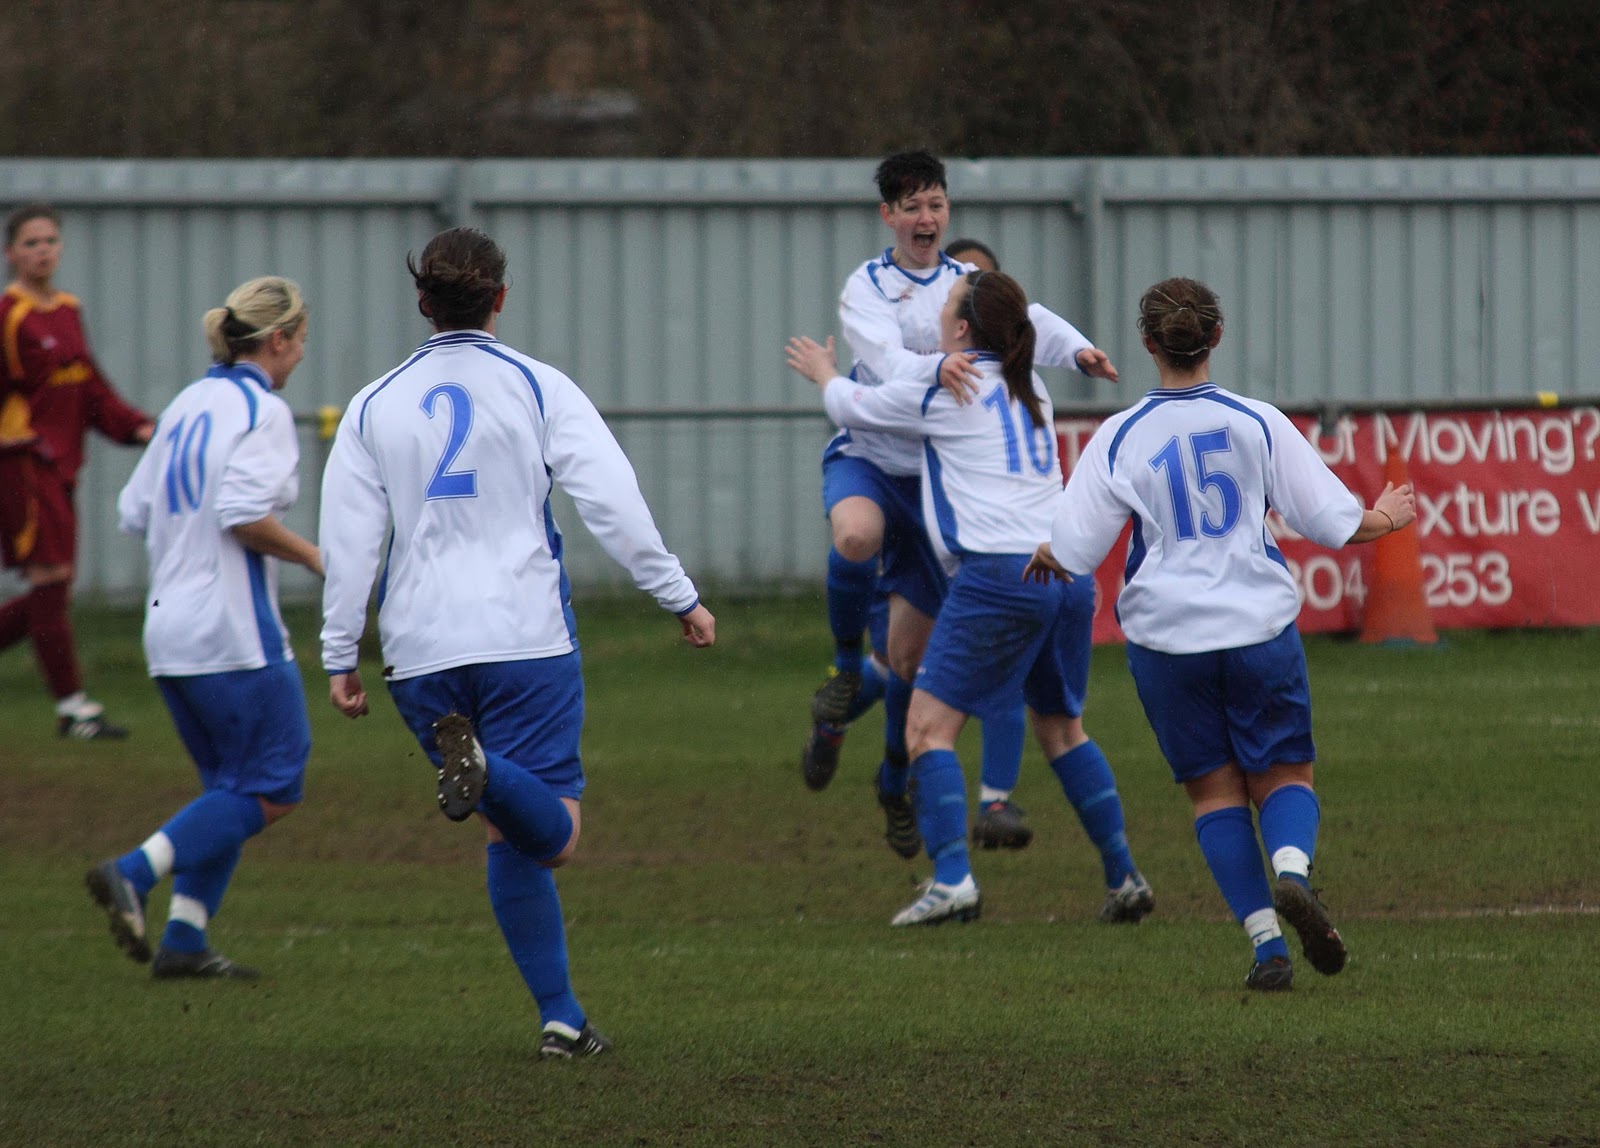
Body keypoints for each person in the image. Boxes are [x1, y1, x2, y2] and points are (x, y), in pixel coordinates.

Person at [319, 227, 716, 1060]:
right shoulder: (538, 387)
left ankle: (562, 1020)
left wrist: (337, 653)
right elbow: (612, 500)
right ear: (501, 297)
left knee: (504, 832)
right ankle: (490, 771)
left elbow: (351, 538)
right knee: (555, 836)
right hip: (522, 636)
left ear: (423, 303)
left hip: (419, 649)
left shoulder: (371, 405)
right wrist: (677, 594)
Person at [1029, 276, 1417, 989]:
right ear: (1217, 337)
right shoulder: (1256, 421)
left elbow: (1076, 552)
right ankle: (1292, 873)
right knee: (1285, 774)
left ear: (1148, 344)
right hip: (1256, 626)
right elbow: (1334, 522)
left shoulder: (1117, 436)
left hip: (1167, 640)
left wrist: (1048, 553)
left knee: (1214, 794)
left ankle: (1267, 947)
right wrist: (1386, 516)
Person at [788, 269, 1151, 927]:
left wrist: (820, 371)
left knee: (928, 728)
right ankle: (1124, 874)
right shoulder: (1029, 383)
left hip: (1000, 576)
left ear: (959, 330)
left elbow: (852, 409)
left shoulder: (947, 391)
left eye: (948, 309)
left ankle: (953, 878)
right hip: (1065, 577)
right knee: (1063, 730)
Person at [805, 152, 1120, 865]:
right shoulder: (868, 286)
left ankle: (893, 778)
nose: (927, 219)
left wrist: (1080, 353)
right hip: (876, 457)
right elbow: (882, 364)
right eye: (913, 207)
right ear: (888, 215)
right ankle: (843, 667)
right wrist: (934, 368)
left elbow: (1027, 319)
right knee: (855, 533)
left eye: (937, 205)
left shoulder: (967, 286)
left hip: (940, 480)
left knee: (913, 661)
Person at [87, 276, 320, 979]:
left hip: (168, 632)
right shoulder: (264, 412)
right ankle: (133, 871)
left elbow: (133, 510)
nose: (303, 351)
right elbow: (242, 516)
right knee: (275, 785)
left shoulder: (189, 403)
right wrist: (318, 558)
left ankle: (185, 942)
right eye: (302, 338)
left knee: (229, 784)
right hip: (231, 631)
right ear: (277, 340)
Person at [0, 203, 155, 739]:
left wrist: (135, 426)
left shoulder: (67, 309)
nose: (42, 250)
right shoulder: (9, 315)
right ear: (11, 253)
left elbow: (89, 388)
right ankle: (74, 710)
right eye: (30, 242)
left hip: (63, 465)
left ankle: (74, 708)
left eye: (50, 241)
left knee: (51, 594)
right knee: (50, 581)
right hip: (22, 462)